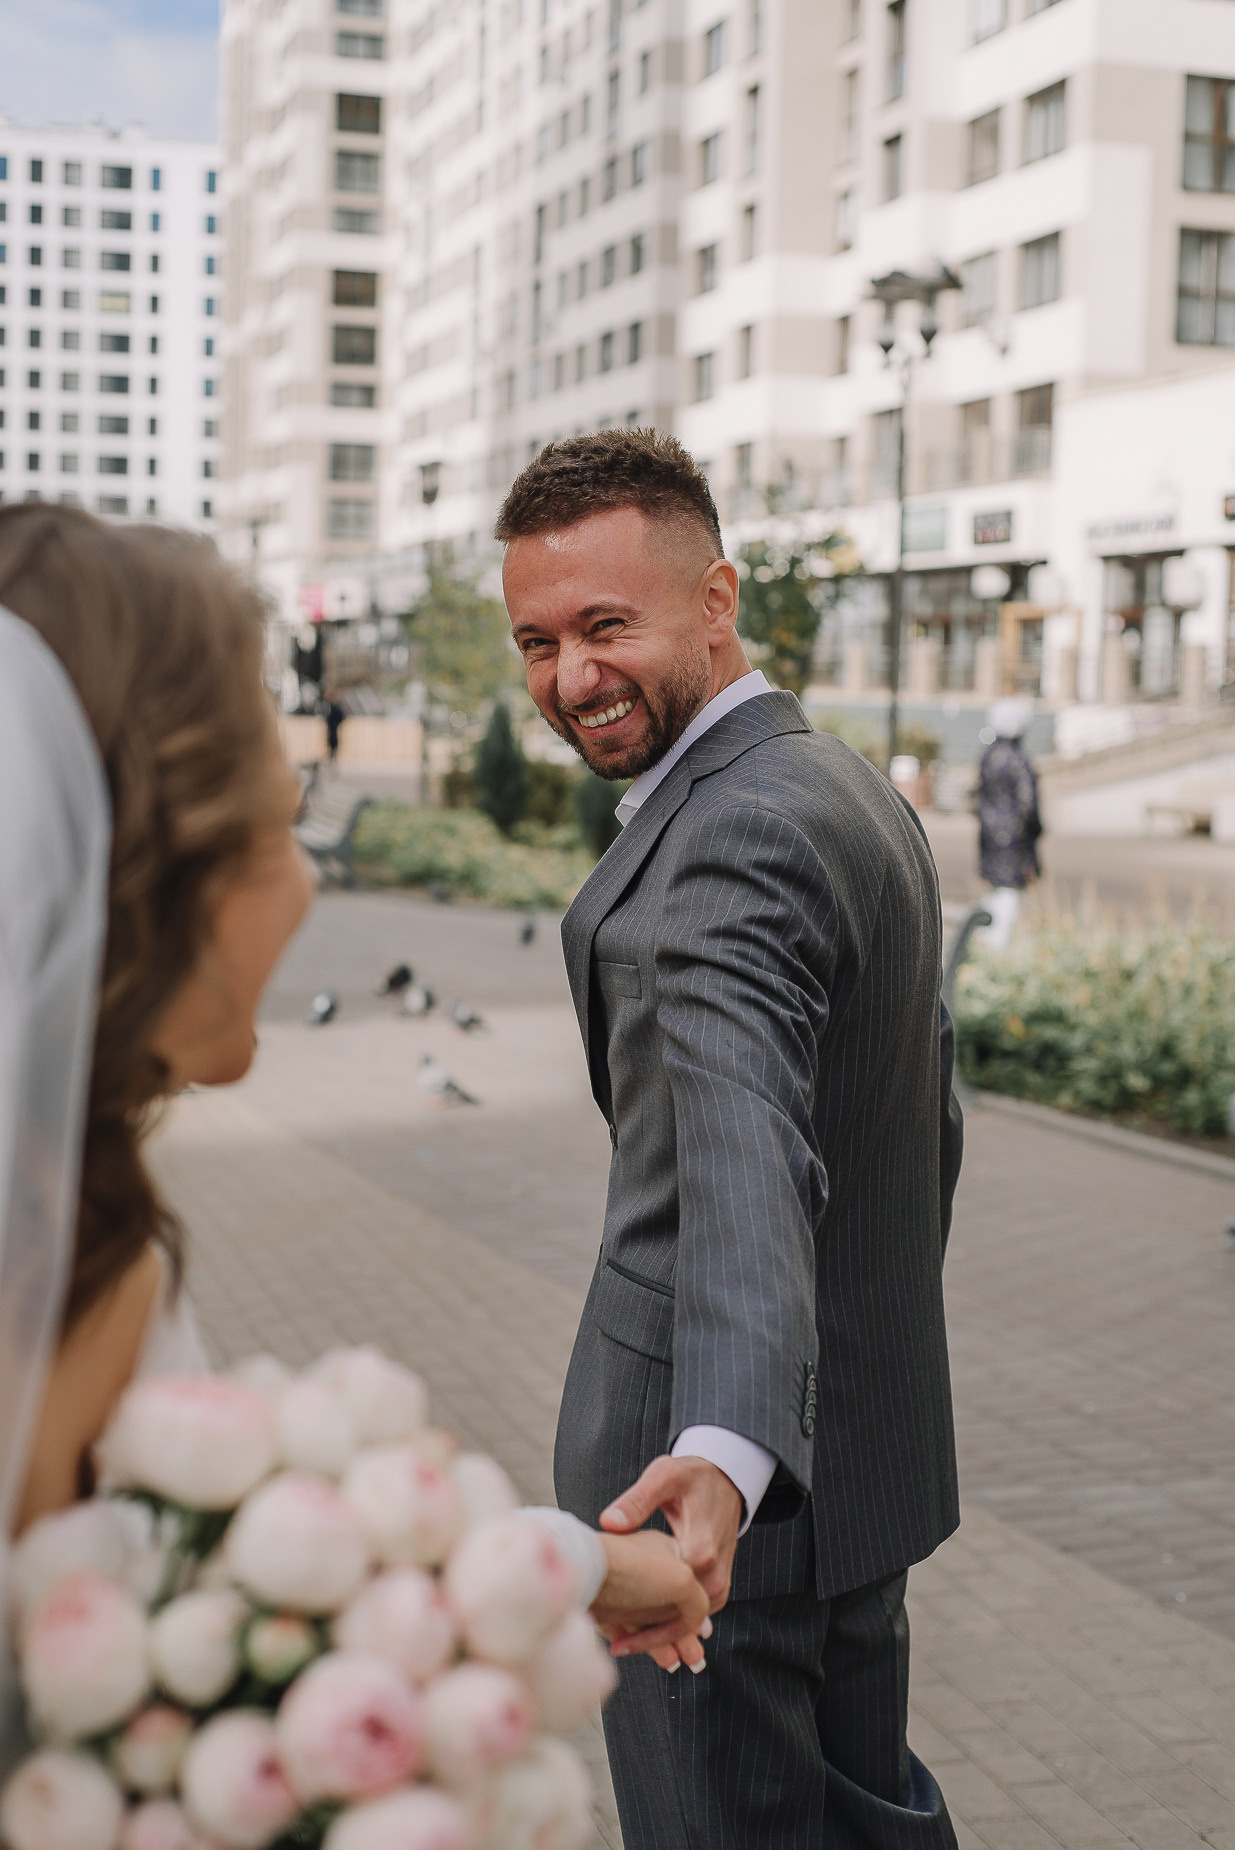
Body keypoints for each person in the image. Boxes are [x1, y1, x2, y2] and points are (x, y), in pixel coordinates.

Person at [0, 504, 709, 1751]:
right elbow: (228, 1630)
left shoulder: (65, 1216)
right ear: (148, 880)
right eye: (277, 823)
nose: (310, 878)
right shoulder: (72, 1276)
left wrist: (575, 1566)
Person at [499, 430, 964, 1850]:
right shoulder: (841, 785)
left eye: (603, 624)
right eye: (533, 640)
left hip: (699, 1520)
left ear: (716, 600)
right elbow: (911, 1131)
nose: (568, 677)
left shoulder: (731, 837)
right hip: (853, 1474)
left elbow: (744, 1159)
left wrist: (722, 1451)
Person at [976, 697, 1041, 950]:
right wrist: (1035, 831)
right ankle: (997, 947)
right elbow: (1029, 805)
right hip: (1014, 839)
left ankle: (984, 938)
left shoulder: (988, 756)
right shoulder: (1018, 760)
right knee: (1009, 893)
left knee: (994, 889)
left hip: (989, 836)